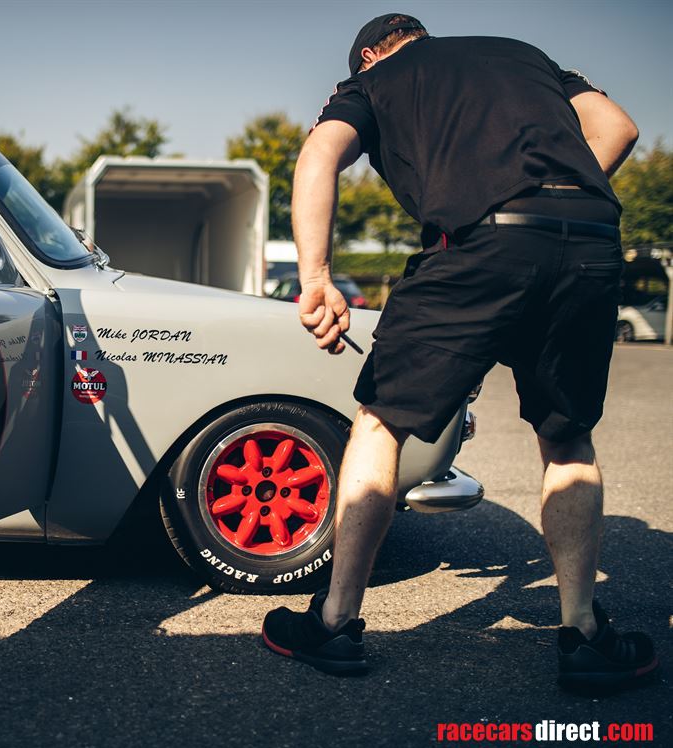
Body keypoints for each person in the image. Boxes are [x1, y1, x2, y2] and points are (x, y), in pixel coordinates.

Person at [260, 14, 658, 692]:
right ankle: (584, 635)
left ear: (368, 55)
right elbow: (619, 127)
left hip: (477, 245)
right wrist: (554, 200)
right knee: (567, 440)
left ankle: (333, 623)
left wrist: (317, 275)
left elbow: (321, 152)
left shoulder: (376, 78)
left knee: (382, 423)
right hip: (589, 242)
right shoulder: (525, 53)